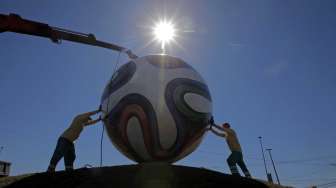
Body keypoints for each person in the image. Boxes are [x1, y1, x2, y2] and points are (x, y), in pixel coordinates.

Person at [47, 108, 101, 172]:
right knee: (59, 154)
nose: (88, 121)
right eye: (87, 119)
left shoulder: (83, 123)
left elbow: (91, 123)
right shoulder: (78, 118)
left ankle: (69, 169)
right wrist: (98, 111)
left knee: (71, 156)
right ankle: (50, 169)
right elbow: (89, 113)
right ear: (85, 117)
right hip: (64, 139)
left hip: (70, 142)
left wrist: (99, 119)